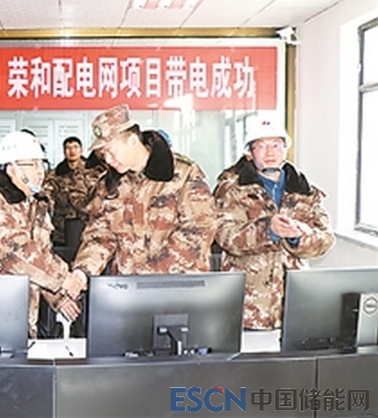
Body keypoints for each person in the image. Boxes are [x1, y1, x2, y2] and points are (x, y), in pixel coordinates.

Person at [63, 104, 217, 297]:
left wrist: (148, 276)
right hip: (128, 294)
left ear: (133, 141)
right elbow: (100, 236)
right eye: (103, 154)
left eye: (110, 151)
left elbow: (198, 230)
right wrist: (82, 272)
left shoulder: (183, 173)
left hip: (178, 291)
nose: (107, 160)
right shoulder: (109, 184)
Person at [0, 131, 81, 337]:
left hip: (20, 315)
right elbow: (15, 252)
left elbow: (40, 256)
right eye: (32, 164)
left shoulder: (36, 203)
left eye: (42, 164)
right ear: (12, 168)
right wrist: (64, 278)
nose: (40, 171)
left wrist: (57, 297)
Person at [213, 114, 335, 330]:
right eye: (261, 146)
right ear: (250, 153)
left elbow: (325, 239)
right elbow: (224, 235)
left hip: (295, 305)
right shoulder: (232, 190)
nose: (270, 153)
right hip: (247, 305)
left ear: (285, 149)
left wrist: (298, 235)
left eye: (276, 145)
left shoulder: (305, 190)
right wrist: (267, 230)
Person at [43, 136, 96, 245]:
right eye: (68, 148)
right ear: (64, 151)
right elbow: (47, 196)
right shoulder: (56, 173)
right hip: (62, 229)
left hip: (87, 227)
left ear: (81, 150)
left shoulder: (92, 171)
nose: (72, 151)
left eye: (75, 147)